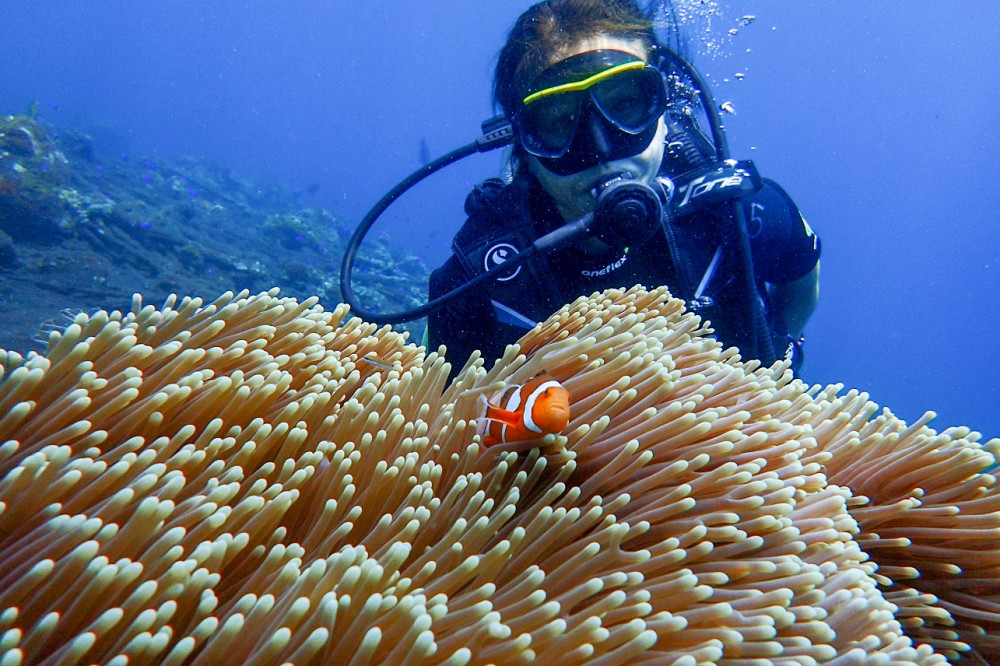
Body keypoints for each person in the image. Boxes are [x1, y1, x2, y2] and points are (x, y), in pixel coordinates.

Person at [428, 0, 820, 377]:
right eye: (559, 122)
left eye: (627, 103)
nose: (602, 150)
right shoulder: (474, 279)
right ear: (523, 145)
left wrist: (783, 344)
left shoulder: (736, 208)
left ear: (664, 108)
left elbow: (801, 274)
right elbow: (453, 408)